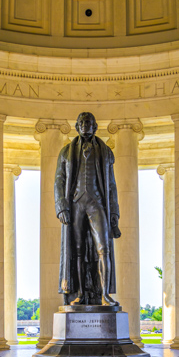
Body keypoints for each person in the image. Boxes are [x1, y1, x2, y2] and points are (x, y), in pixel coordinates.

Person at [54, 112, 121, 306]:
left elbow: (112, 185)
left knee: (104, 248)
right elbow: (59, 180)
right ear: (77, 126)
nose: (85, 125)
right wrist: (61, 206)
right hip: (75, 203)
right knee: (77, 251)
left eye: (88, 122)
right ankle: (81, 294)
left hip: (97, 203)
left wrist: (114, 212)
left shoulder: (106, 152)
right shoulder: (66, 152)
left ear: (95, 126)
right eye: (81, 122)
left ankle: (105, 294)